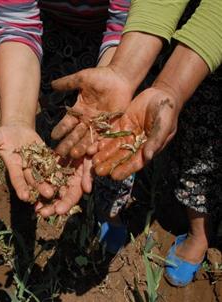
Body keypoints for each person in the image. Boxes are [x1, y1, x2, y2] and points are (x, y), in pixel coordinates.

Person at [53, 0, 222, 287]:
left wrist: (171, 87)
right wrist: (127, 74)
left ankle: (201, 233)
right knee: (171, 126)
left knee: (208, 141)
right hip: (189, 27)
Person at [0, 0, 132, 228]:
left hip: (125, 41)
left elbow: (124, 26)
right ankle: (65, 172)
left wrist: (113, 85)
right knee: (62, 114)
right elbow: (17, 24)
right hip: (52, 29)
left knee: (111, 133)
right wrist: (17, 119)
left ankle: (110, 208)